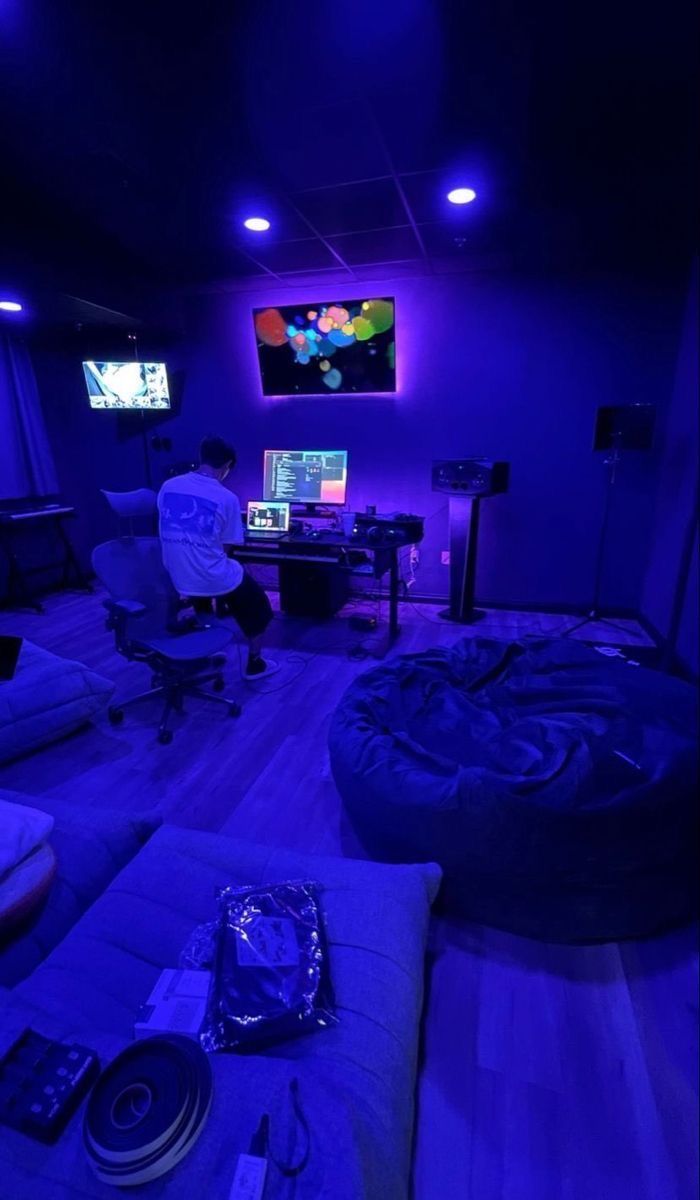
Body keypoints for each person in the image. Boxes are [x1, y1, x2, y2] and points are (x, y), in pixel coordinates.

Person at [157, 435, 276, 679]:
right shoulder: (227, 498)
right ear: (227, 466)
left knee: (203, 584)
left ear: (201, 458)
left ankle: (205, 646)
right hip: (207, 577)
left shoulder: (168, 486)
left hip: (178, 576)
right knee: (259, 605)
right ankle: (255, 663)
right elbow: (228, 548)